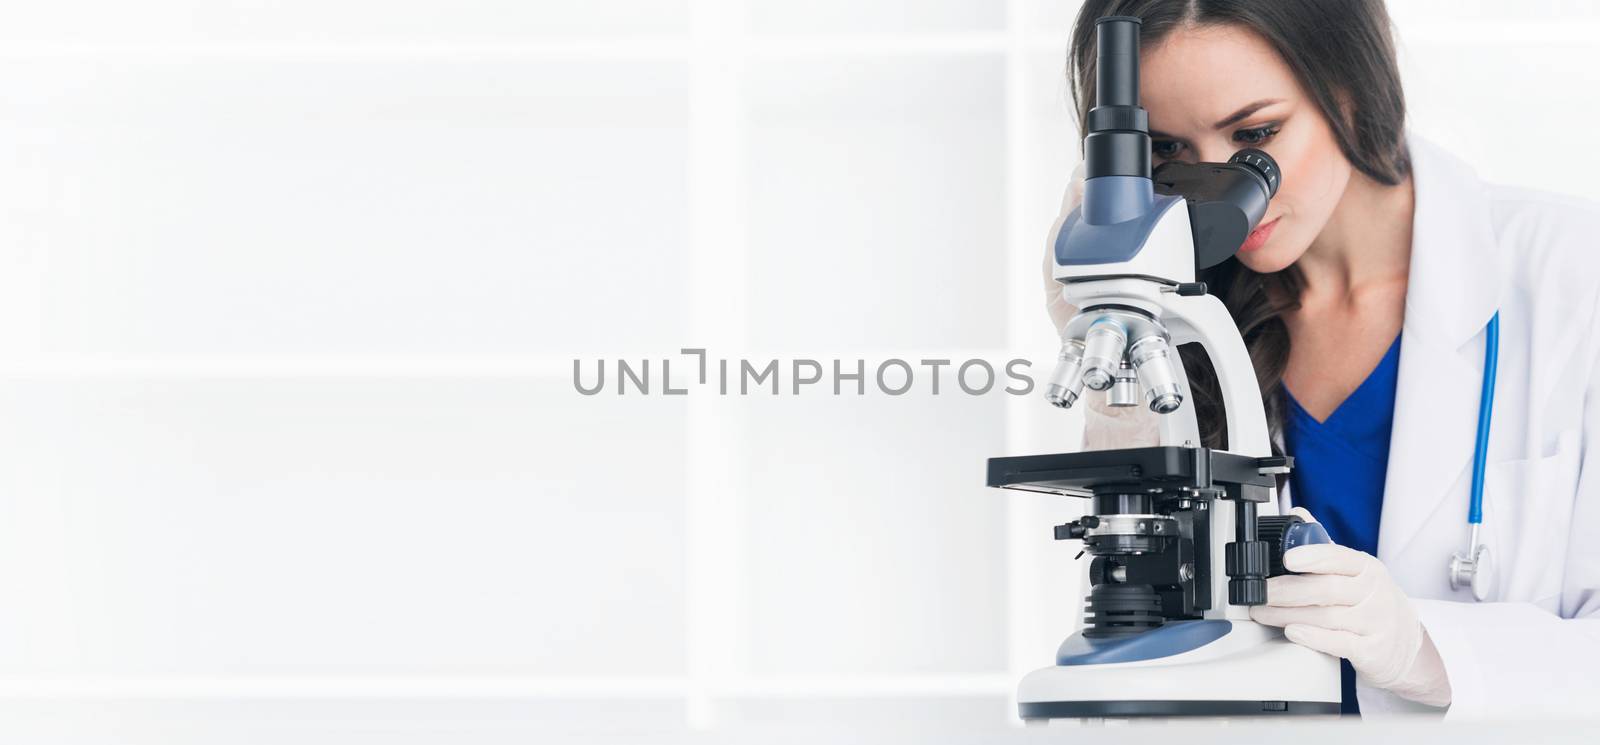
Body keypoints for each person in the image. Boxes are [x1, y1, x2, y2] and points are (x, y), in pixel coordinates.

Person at [1044, 0, 1600, 719]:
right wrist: (1104, 355)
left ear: (1354, 88)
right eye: (1170, 152)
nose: (1220, 193)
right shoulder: (1186, 314)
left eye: (1256, 135)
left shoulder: (1570, 274)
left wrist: (1430, 651)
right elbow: (1149, 618)